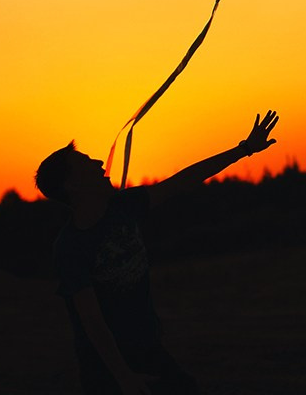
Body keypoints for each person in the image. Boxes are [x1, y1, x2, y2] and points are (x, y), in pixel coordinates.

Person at [34, 110, 280, 395]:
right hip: (106, 367)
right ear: (72, 186)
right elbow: (93, 322)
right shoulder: (70, 246)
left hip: (147, 348)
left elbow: (185, 179)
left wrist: (245, 149)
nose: (99, 161)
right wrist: (124, 377)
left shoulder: (124, 206)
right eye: (86, 161)